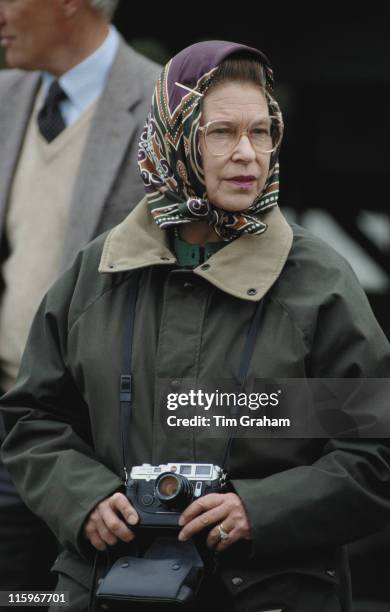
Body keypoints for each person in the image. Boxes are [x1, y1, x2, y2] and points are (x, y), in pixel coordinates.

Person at [1, 40, 390, 612]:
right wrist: (84, 499)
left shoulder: (320, 285)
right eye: (220, 132)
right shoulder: (97, 274)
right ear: (173, 135)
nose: (247, 154)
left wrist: (256, 509)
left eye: (261, 132)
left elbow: (376, 456)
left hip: (271, 593)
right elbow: (34, 419)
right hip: (107, 589)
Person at [0, 0, 160, 594]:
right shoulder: (7, 97)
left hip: (110, 450)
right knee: (17, 597)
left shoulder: (166, 102)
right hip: (15, 425)